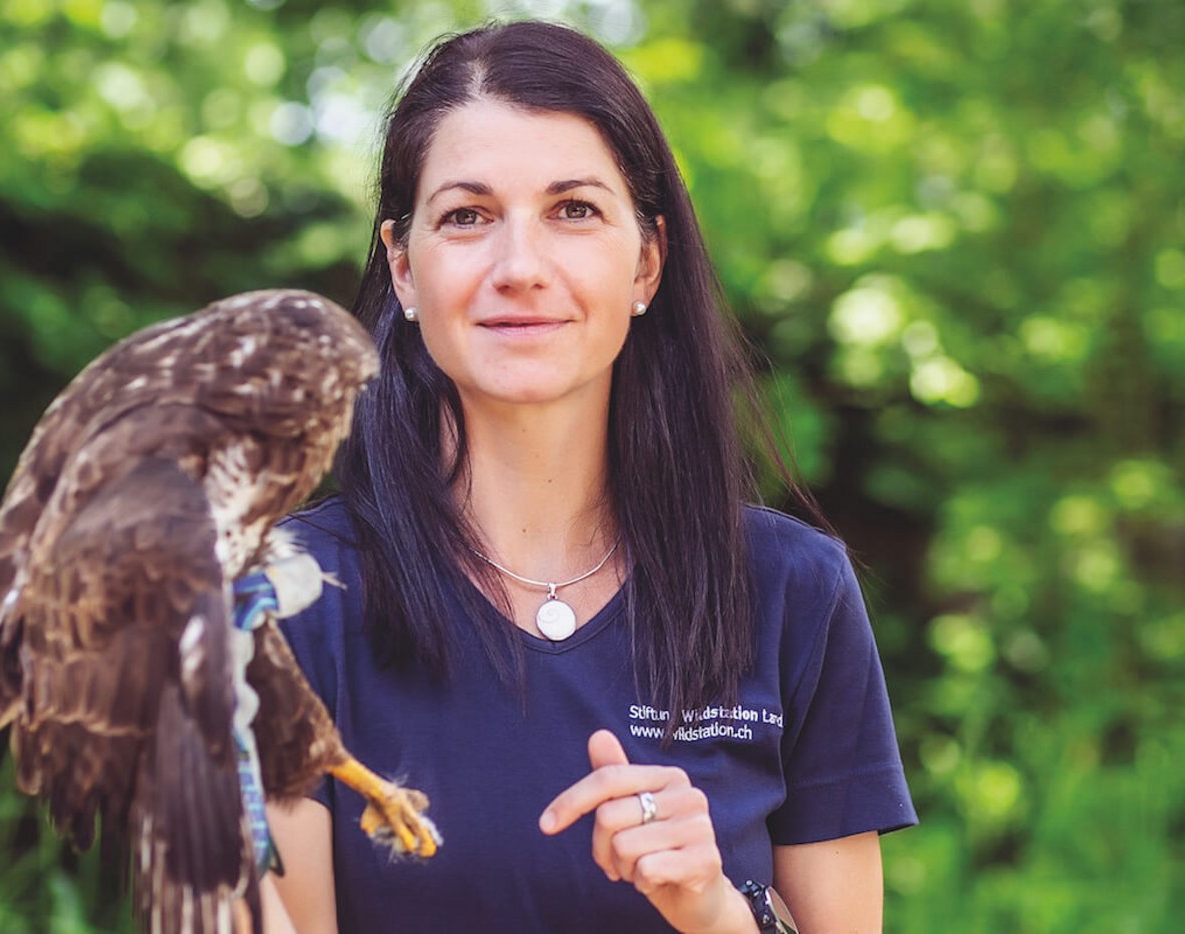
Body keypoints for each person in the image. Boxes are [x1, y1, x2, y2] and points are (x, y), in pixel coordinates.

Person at [257, 19, 916, 934]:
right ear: (405, 269)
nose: (520, 268)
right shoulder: (283, 606)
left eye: (573, 210)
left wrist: (719, 913)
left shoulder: (793, 592)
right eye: (467, 217)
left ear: (645, 261)